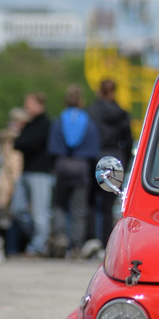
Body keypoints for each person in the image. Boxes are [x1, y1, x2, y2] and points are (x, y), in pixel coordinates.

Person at [48, 86, 101, 259]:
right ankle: (77, 245)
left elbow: (52, 149)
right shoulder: (89, 123)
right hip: (81, 167)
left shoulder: (59, 121)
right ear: (81, 101)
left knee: (60, 205)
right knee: (79, 209)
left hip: (63, 166)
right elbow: (94, 151)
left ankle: (61, 236)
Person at [87, 78, 133, 248]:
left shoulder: (92, 111)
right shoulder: (122, 113)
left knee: (91, 200)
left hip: (95, 155)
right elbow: (128, 142)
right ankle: (107, 241)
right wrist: (125, 164)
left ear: (100, 91)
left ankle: (91, 239)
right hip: (115, 157)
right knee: (108, 204)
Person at [7, 92, 53, 257]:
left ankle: (38, 246)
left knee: (40, 213)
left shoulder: (45, 123)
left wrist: (24, 142)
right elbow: (18, 143)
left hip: (40, 173)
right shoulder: (29, 124)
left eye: (30, 103)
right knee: (17, 209)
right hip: (26, 171)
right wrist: (24, 142)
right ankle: (39, 237)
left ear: (39, 105)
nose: (27, 107)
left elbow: (27, 141)